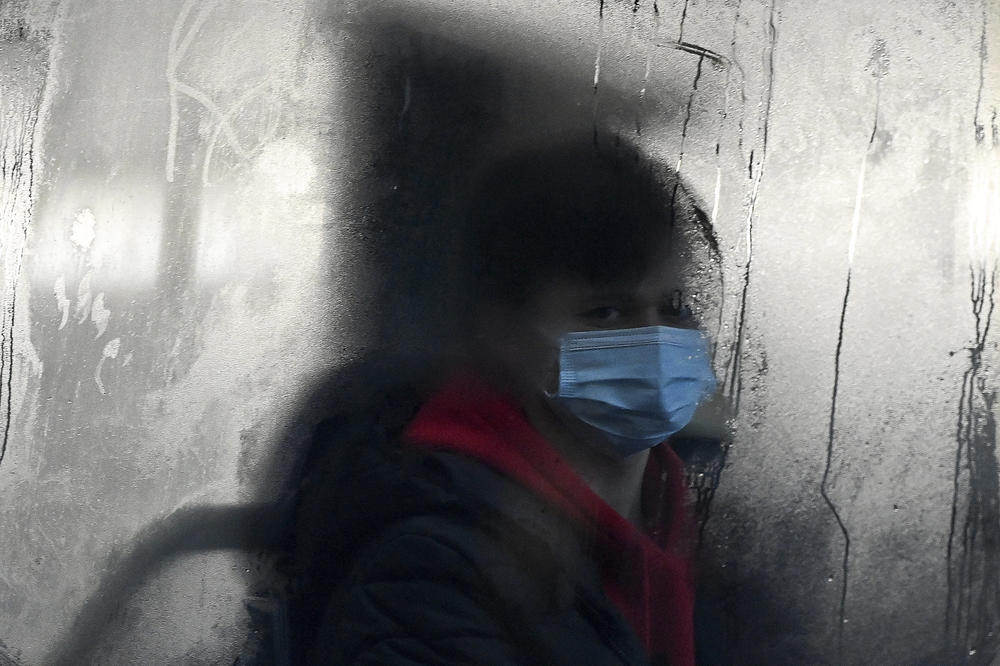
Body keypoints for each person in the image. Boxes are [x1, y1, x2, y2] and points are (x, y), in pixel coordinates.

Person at [290, 137, 722, 665]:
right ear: (505, 332)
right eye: (606, 312)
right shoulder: (432, 569)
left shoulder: (706, 545)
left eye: (676, 306)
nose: (655, 339)